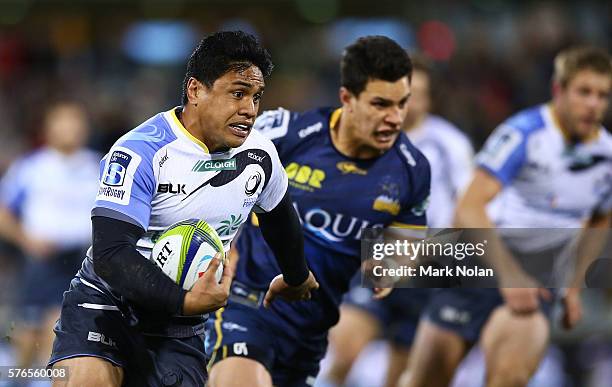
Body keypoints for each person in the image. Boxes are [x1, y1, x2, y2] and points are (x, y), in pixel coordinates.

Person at [47, 31, 318, 387]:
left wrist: (296, 276)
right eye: (238, 93)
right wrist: (185, 300)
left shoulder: (260, 156)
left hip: (180, 325)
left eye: (256, 97)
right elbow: (112, 254)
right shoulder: (140, 152)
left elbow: (280, 217)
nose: (250, 110)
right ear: (195, 91)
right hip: (106, 304)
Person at [205, 35, 431, 387]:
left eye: (402, 104)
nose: (395, 118)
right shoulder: (287, 134)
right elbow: (210, 177)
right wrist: (223, 240)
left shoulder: (412, 169)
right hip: (247, 303)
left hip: (311, 331)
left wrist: (391, 263)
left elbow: (409, 237)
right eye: (381, 104)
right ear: (347, 99)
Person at [405, 46, 612, 387]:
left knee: (509, 378)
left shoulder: (605, 156)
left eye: (602, 95)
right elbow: (469, 206)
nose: (593, 104)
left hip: (535, 283)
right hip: (480, 265)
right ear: (559, 91)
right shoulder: (522, 134)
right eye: (584, 92)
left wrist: (574, 285)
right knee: (426, 379)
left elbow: (601, 217)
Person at [322, 56, 474, 387]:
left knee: (402, 376)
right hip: (374, 258)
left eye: (418, 93)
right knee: (343, 350)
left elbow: (469, 207)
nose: (409, 102)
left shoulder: (450, 144)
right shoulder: (362, 140)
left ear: (431, 98)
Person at [0, 101, 100, 370]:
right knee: (26, 332)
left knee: (57, 327)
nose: (70, 129)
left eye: (75, 122)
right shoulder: (31, 167)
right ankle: (18, 376)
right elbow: (3, 212)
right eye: (63, 122)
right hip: (41, 260)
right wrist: (26, 240)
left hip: (81, 259)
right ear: (49, 128)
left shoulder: (97, 167)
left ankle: (48, 377)